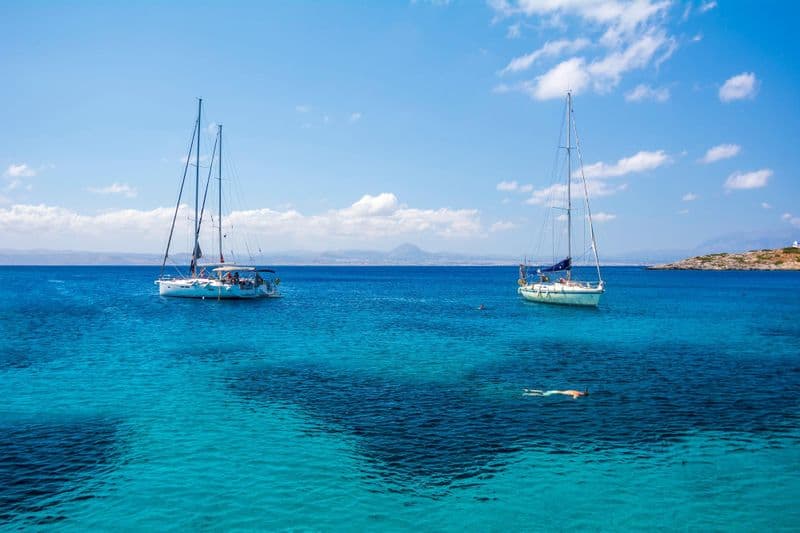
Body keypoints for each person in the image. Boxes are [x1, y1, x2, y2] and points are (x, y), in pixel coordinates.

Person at [523, 388, 588, 399]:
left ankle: (528, 390)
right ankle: (527, 394)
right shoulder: (577, 394)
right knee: (542, 395)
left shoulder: (577, 391)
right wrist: (576, 398)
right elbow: (574, 398)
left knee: (542, 392)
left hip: (556, 391)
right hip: (556, 393)